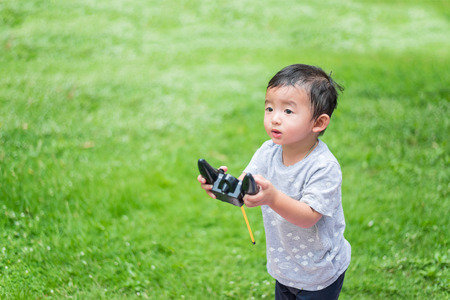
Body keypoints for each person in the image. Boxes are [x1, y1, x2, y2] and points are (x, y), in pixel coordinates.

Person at [198, 64, 351, 300]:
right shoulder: (268, 151)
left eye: (288, 112)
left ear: (318, 123)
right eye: (269, 108)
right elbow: (243, 192)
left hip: (319, 274)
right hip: (285, 266)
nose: (275, 118)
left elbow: (308, 216)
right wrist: (220, 185)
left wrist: (273, 198)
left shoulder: (323, 167)